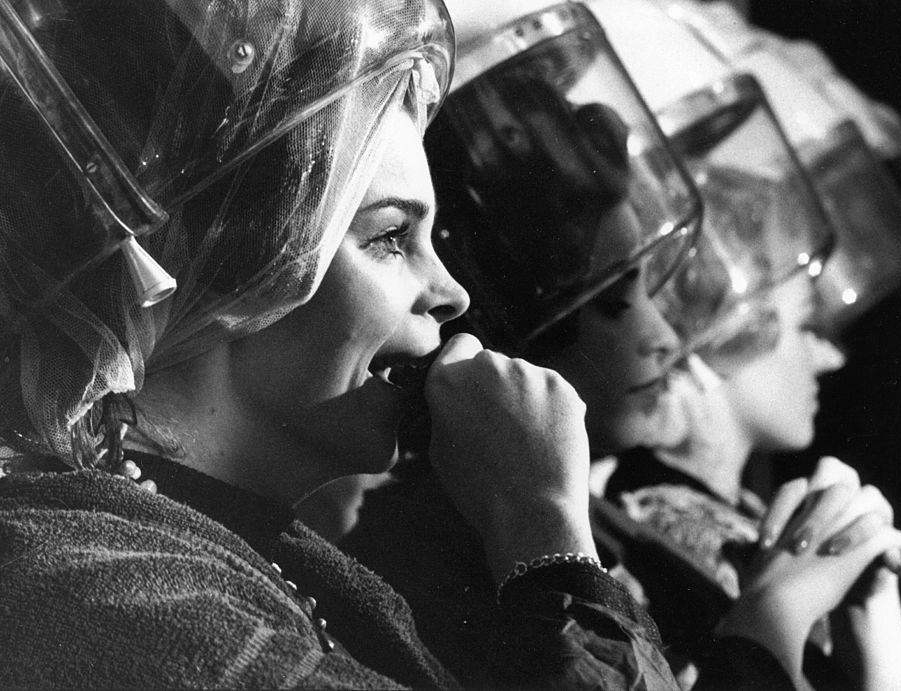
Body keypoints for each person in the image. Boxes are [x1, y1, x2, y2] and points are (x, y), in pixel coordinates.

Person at [0, 0, 760, 686]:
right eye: (391, 237)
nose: (454, 294)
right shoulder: (121, 590)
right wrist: (546, 529)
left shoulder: (179, 553)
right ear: (230, 266)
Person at [341, 3, 901, 689]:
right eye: (613, 302)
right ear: (498, 325)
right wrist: (775, 622)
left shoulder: (618, 531)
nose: (670, 336)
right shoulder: (440, 557)